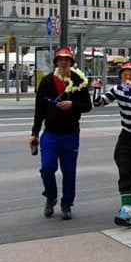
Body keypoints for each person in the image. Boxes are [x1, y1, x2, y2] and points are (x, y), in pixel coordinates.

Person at [29, 47, 92, 220]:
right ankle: (51, 196)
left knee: (69, 172)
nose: (64, 63)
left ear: (71, 63)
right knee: (47, 167)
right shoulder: (48, 81)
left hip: (70, 134)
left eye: (67, 60)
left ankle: (66, 204)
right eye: (60, 60)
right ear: (56, 62)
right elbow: (39, 108)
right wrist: (34, 132)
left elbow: (87, 105)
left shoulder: (79, 81)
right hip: (50, 133)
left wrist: (73, 105)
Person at [92, 63, 131, 227]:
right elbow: (98, 103)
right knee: (125, 171)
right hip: (127, 137)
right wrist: (97, 88)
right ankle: (126, 210)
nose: (128, 78)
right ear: (120, 78)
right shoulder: (117, 90)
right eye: (124, 75)